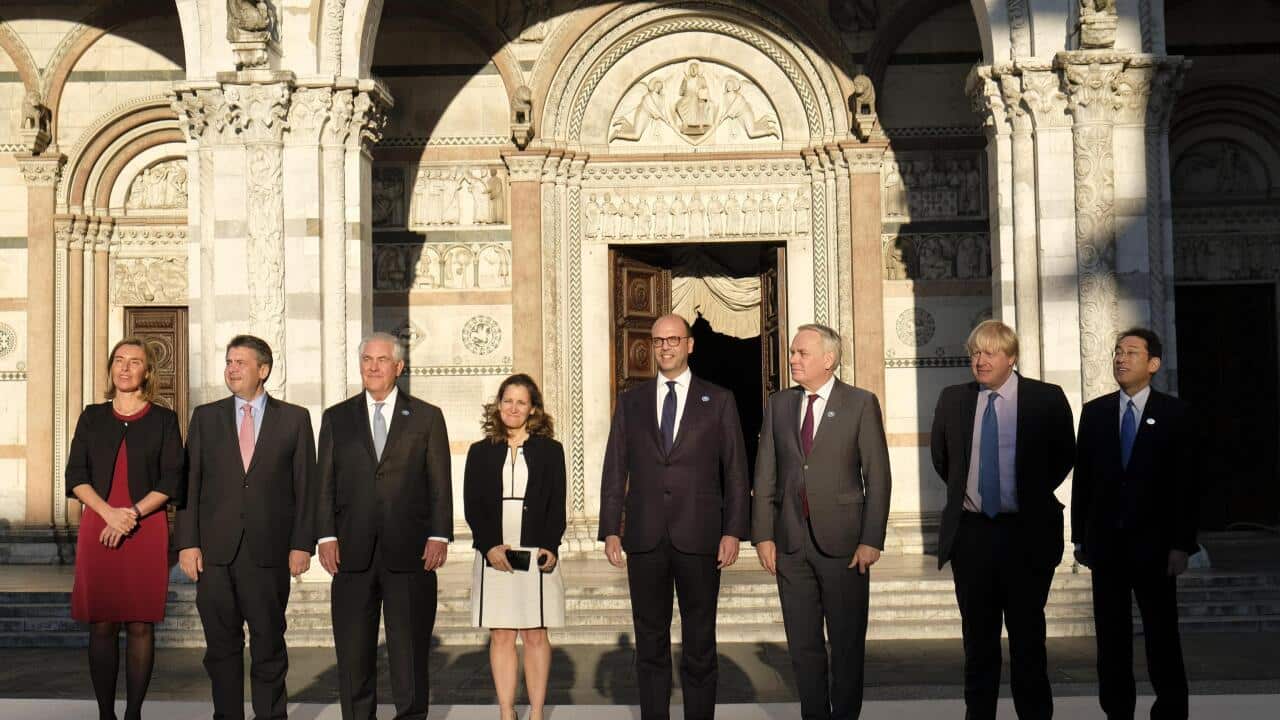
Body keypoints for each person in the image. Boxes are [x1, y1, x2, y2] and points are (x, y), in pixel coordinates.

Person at [598, 313, 750, 720]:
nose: (665, 347)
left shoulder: (718, 400)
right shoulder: (631, 402)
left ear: (689, 345)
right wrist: (611, 529)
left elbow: (735, 471)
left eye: (673, 339)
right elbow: (615, 468)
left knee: (700, 643)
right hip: (645, 539)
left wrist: (734, 530)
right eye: (659, 340)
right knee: (650, 643)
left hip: (700, 537)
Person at [930, 319, 1075, 720]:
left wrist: (1026, 493)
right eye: (975, 352)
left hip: (1026, 534)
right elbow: (945, 461)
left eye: (990, 353)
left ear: (1011, 357)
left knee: (1028, 642)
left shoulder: (1045, 398)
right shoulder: (953, 399)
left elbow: (1064, 455)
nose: (980, 360)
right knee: (978, 644)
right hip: (972, 535)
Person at [751, 323, 892, 720]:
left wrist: (871, 539)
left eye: (801, 353)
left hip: (845, 546)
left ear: (828, 360)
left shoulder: (860, 403)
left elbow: (877, 476)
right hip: (791, 545)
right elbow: (765, 473)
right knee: (803, 646)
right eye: (793, 353)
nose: (792, 359)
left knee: (846, 645)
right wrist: (762, 534)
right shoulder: (779, 405)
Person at [175, 335, 316, 720]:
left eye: (240, 362)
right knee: (221, 648)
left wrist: (302, 544)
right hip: (216, 555)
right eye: (228, 361)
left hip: (268, 554)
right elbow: (191, 483)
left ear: (263, 370)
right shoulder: (206, 417)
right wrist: (187, 544)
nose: (231, 369)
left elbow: (306, 487)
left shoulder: (295, 418)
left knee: (269, 645)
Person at [313, 331, 452, 720]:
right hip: (351, 553)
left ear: (399, 367)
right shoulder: (336, 418)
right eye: (366, 360)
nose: (372, 367)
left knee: (408, 652)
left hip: (410, 554)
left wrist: (439, 534)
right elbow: (324, 481)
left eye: (381, 360)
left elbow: (439, 482)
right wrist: (325, 535)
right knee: (354, 652)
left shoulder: (426, 416)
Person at [1073, 328, 1196, 720]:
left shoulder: (1176, 414)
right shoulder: (1095, 412)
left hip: (1157, 548)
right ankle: (1117, 711)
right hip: (1107, 547)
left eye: (1131, 352)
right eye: (1117, 352)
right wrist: (1079, 538)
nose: (1121, 359)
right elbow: (1085, 482)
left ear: (1153, 364)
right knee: (1111, 639)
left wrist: (1182, 544)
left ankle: (1170, 709)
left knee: (1161, 635)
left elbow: (1187, 484)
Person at [67, 337, 184, 720]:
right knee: (101, 623)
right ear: (110, 368)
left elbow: (172, 480)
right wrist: (108, 514)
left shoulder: (164, 419)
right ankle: (106, 714)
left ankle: (133, 713)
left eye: (135, 362)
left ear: (147, 371)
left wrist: (129, 514)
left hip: (145, 531)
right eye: (119, 360)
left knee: (139, 623)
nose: (125, 367)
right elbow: (75, 476)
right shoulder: (92, 416)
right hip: (97, 528)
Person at [464, 374, 567, 720]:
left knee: (535, 633)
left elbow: (557, 503)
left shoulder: (551, 452)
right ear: (498, 405)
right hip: (494, 548)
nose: (513, 408)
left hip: (536, 548)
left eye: (521, 402)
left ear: (533, 408)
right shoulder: (480, 452)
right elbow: (472, 504)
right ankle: (507, 711)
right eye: (507, 400)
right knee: (502, 633)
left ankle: (536, 712)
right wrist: (488, 544)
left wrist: (551, 545)